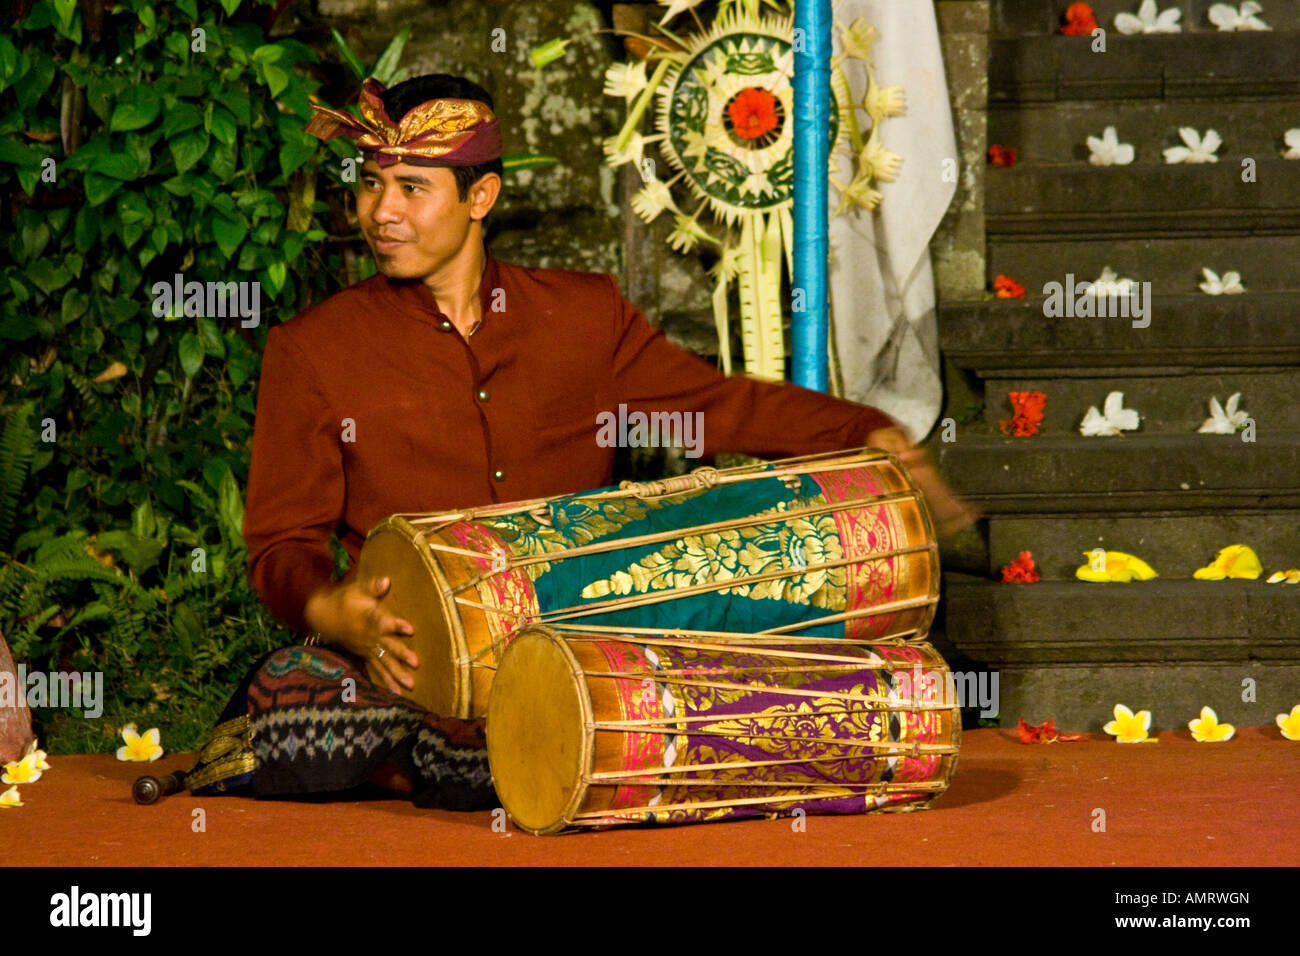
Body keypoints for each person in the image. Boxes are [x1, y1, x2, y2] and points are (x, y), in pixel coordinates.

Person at [181, 73, 975, 809]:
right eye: (370, 184)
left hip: (585, 645)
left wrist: (863, 430)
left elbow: (715, 407)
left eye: (412, 188)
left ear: (480, 196)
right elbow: (281, 541)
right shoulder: (314, 348)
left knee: (749, 643)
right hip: (413, 665)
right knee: (300, 688)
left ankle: (526, 749)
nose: (380, 212)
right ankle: (492, 753)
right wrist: (336, 611)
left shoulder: (582, 318)